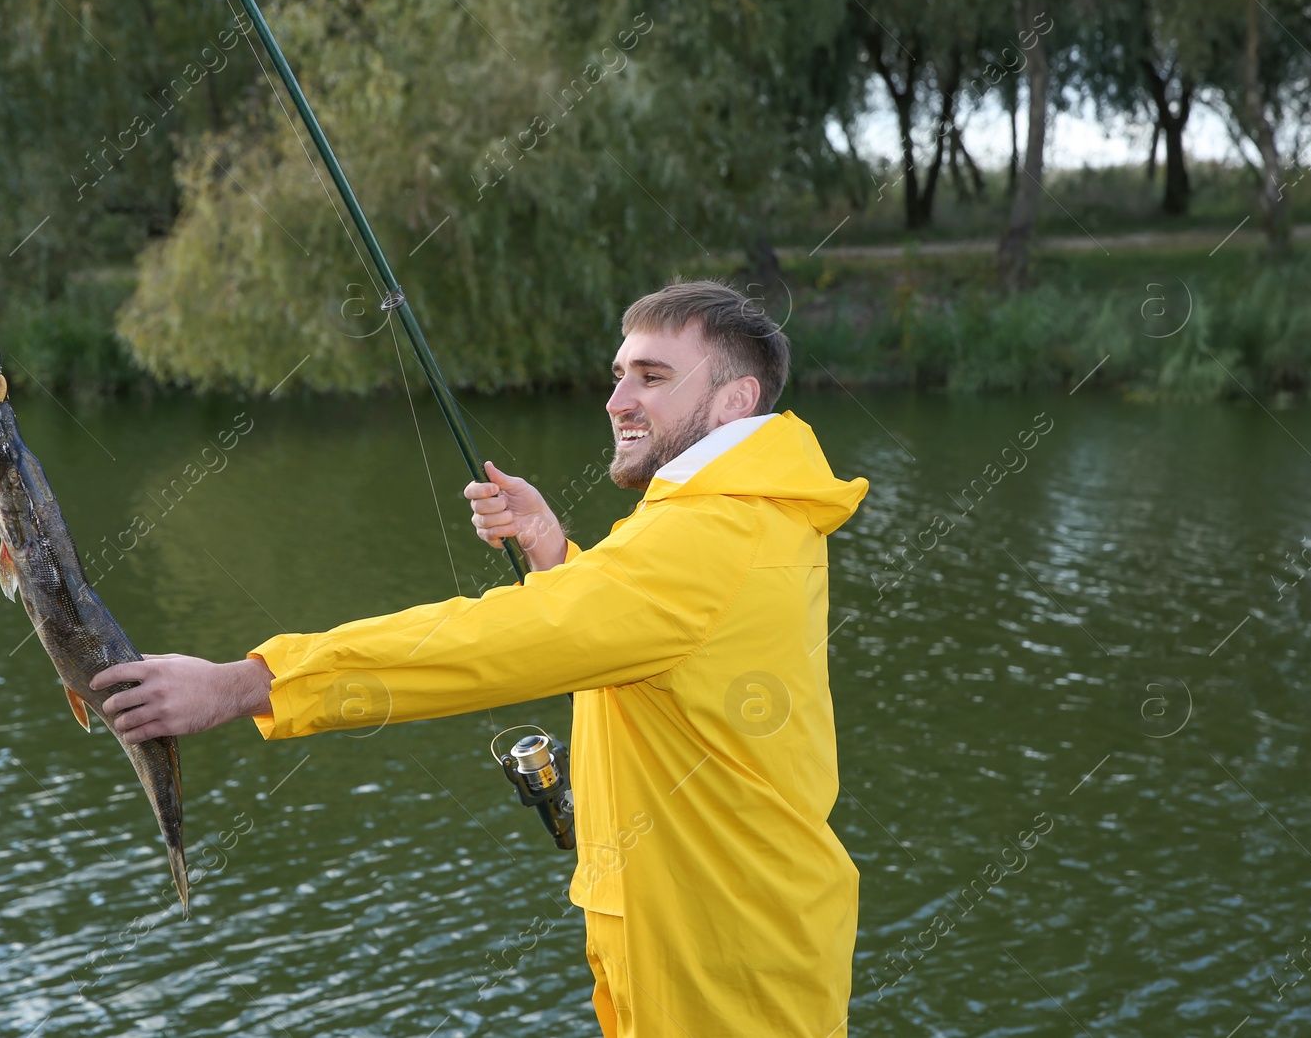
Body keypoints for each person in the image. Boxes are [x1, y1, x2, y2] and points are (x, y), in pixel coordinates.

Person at [90, 278, 870, 1037]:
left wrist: (249, 683)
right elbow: (654, 644)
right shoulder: (747, 513)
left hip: (720, 969)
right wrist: (555, 556)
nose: (617, 400)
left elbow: (480, 647)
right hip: (728, 937)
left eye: (653, 376)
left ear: (737, 399)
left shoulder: (710, 536)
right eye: (618, 374)